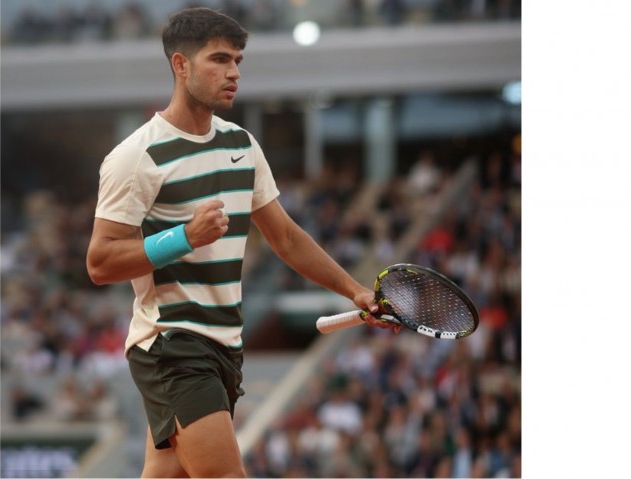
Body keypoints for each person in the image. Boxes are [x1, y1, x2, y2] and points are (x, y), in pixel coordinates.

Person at [86, 7, 399, 477]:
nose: (233, 72)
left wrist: (353, 290)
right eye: (219, 59)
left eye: (237, 61)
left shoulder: (243, 145)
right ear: (181, 65)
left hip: (225, 347)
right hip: (172, 345)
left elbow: (287, 238)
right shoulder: (136, 156)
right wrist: (183, 237)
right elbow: (100, 262)